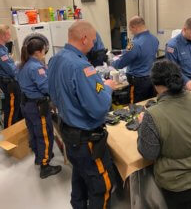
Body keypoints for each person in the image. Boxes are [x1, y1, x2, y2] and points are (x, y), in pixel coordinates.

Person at [48, 20, 116, 209]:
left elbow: (52, 92)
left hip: (69, 133)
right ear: (85, 39)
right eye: (94, 40)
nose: (95, 45)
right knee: (102, 186)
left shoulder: (56, 58)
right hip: (87, 140)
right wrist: (107, 88)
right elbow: (100, 107)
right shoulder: (81, 67)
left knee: (79, 178)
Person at [137, 60, 191, 209]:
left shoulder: (152, 115)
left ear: (156, 85)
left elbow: (149, 154)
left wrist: (142, 126)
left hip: (179, 184)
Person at [17, 36, 62, 179]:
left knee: (34, 133)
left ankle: (40, 156)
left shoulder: (23, 64)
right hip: (37, 107)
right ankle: (45, 166)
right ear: (38, 52)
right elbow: (46, 87)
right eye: (44, 50)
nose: (45, 53)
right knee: (44, 134)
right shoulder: (36, 67)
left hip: (26, 105)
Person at [111, 16, 159, 103]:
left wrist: (112, 63)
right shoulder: (154, 39)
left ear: (134, 27)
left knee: (137, 106)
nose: (131, 32)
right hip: (151, 78)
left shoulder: (134, 43)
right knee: (150, 103)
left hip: (138, 81)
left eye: (130, 29)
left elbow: (122, 62)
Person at [0, 24, 22, 128]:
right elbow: (11, 70)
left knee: (16, 107)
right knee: (12, 108)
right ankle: (9, 132)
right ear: (2, 36)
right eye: (8, 33)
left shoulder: (4, 48)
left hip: (11, 81)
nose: (10, 35)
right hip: (9, 83)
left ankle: (15, 129)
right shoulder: (1, 52)